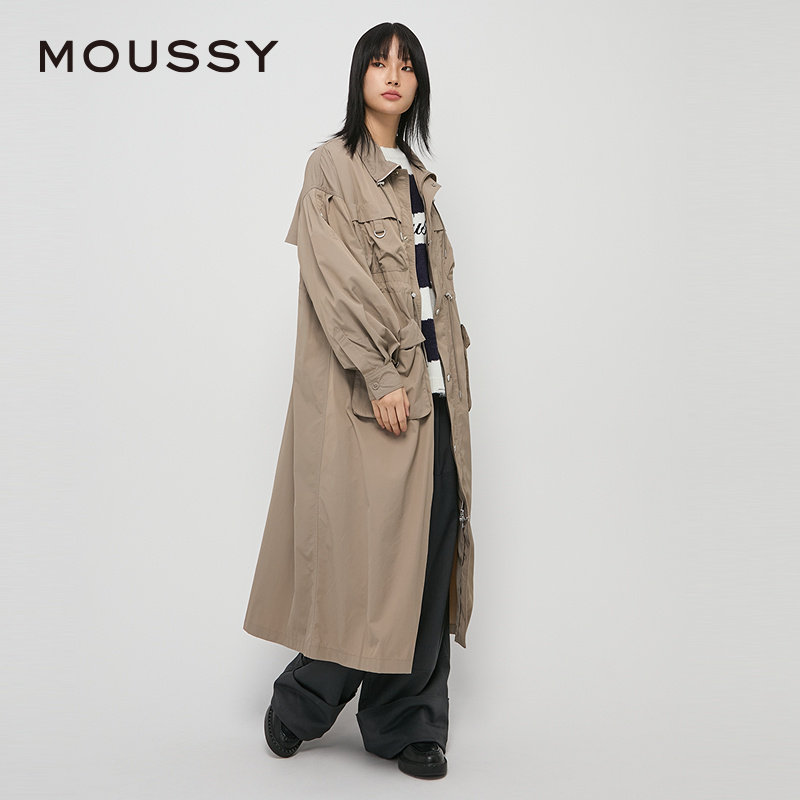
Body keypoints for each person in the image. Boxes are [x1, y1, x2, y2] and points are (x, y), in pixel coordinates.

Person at [243, 22, 475, 780]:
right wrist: (380, 376)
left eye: (407, 65)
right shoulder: (331, 167)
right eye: (380, 62)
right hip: (377, 395)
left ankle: (409, 725)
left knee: (429, 562)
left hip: (438, 401)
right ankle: (301, 704)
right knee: (364, 559)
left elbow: (433, 296)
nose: (393, 75)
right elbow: (335, 281)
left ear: (419, 85)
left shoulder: (418, 179)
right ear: (360, 77)